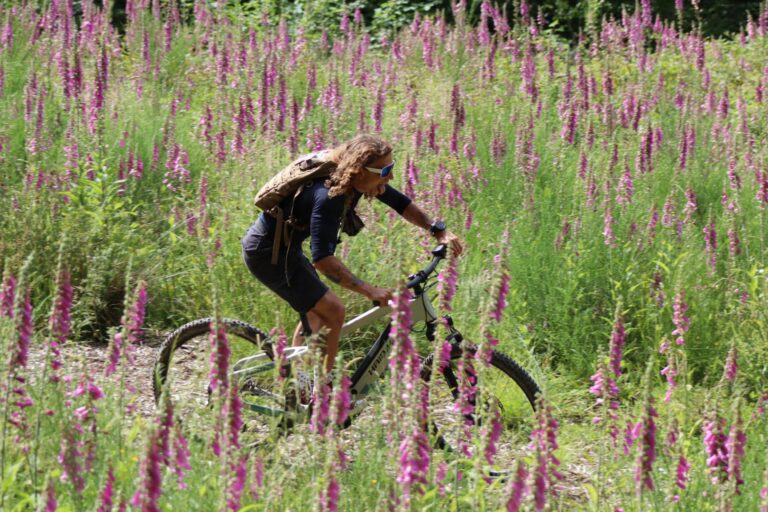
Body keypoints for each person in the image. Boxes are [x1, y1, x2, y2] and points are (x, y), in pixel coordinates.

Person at [242, 134, 463, 385]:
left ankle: (297, 384)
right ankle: (325, 393)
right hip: (265, 253)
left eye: (392, 167)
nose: (390, 176)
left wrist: (437, 230)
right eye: (386, 170)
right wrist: (370, 291)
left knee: (316, 311)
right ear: (359, 170)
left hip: (285, 248)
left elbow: (400, 203)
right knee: (334, 311)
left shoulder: (357, 180)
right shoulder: (330, 197)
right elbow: (323, 260)